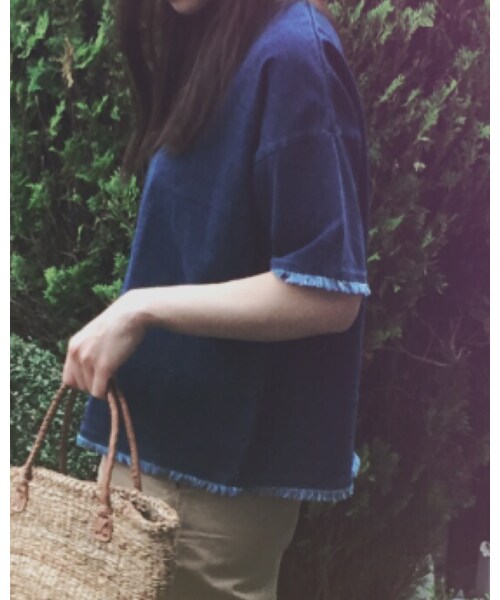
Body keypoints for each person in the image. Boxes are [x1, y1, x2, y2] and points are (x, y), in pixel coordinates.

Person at [62, 0, 372, 598]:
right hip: (151, 457)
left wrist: (139, 308)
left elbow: (326, 293)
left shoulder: (293, 54)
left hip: (213, 494)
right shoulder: (217, 40)